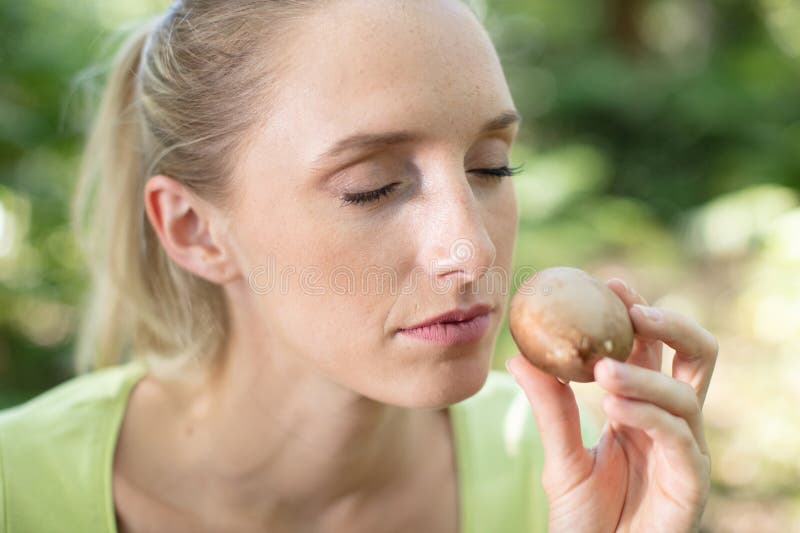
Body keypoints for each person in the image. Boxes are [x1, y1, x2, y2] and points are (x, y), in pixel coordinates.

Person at [0, 0, 718, 532]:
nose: (471, 248)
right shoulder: (17, 492)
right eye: (372, 185)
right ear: (195, 231)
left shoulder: (571, 477)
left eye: (492, 167)